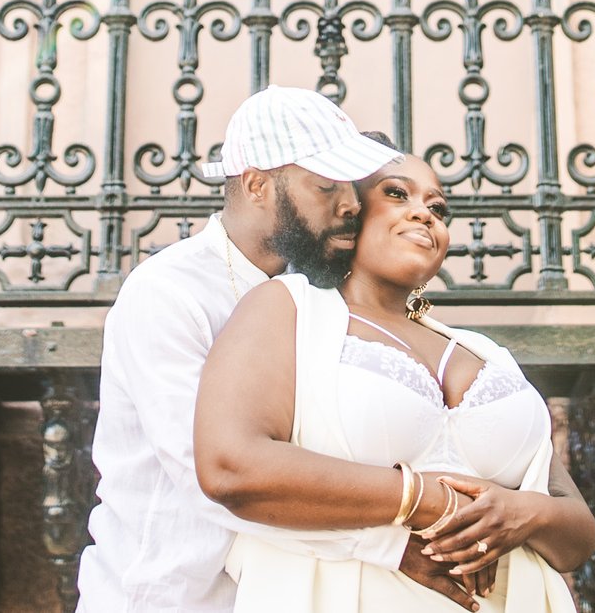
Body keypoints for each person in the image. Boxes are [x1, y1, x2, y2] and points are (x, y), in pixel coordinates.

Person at [77, 89, 483, 613]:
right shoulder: (167, 293)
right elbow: (211, 475)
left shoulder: (312, 291)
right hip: (165, 594)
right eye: (325, 187)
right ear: (257, 185)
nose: (349, 205)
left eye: (350, 187)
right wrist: (388, 544)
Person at [192, 139, 595, 612]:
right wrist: (421, 497)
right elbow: (229, 467)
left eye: (438, 207)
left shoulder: (486, 354)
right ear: (350, 212)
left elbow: (577, 537)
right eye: (398, 194)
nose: (425, 214)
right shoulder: (289, 308)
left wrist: (524, 513)